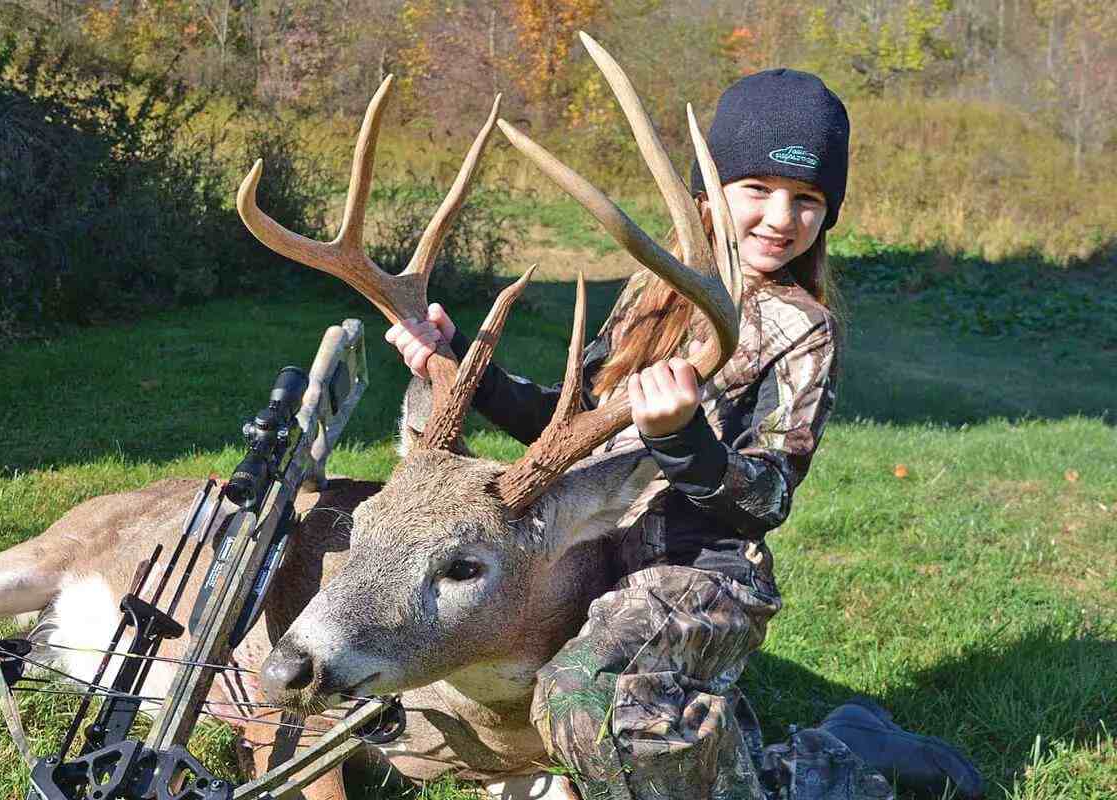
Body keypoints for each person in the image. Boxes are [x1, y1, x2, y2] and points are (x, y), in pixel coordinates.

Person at [386, 69, 982, 800]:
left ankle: (844, 759)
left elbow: (767, 497)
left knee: (580, 698)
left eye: (807, 200)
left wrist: (682, 440)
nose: (780, 217)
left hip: (701, 571)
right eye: (755, 190)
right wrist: (463, 369)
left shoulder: (803, 329)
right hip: (593, 552)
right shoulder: (651, 292)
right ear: (708, 196)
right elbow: (574, 425)